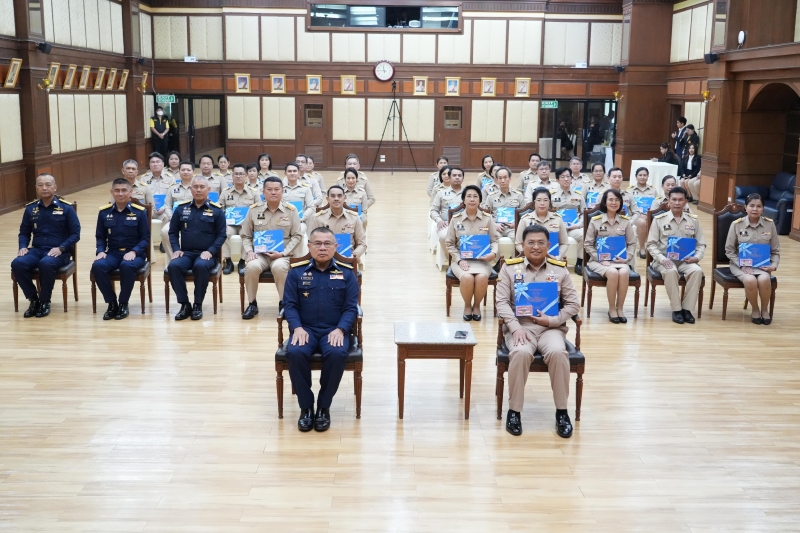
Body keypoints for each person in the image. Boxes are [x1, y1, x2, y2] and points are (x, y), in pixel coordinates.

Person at [496, 223, 580, 438]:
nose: (536, 247)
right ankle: (514, 412)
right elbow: (501, 302)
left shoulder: (559, 269)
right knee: (520, 353)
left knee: (558, 353)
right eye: (531, 242)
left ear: (548, 245)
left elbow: (573, 304)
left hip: (550, 329)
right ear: (522, 245)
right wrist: (515, 328)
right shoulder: (509, 268)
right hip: (520, 327)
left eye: (541, 242)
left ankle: (562, 413)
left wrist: (553, 321)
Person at [285, 226, 359, 432]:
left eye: (327, 244)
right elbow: (289, 305)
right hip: (305, 329)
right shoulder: (296, 272)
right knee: (295, 352)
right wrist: (297, 328)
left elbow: (351, 308)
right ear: (309, 246)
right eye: (317, 243)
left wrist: (341, 329)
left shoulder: (346, 274)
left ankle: (324, 407)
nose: (322, 248)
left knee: (337, 353)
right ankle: (306, 407)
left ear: (336, 246)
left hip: (334, 330)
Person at [12, 174, 81, 318]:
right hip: (37, 250)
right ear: (36, 188)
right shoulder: (30, 209)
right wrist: (23, 246)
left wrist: (61, 248)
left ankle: (45, 301)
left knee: (46, 263)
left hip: (60, 251)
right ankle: (34, 300)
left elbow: (75, 234)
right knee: (18, 263)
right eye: (40, 185)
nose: (44, 188)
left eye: (48, 184)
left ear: (55, 187)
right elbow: (24, 232)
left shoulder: (66, 208)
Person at [240, 177, 303, 319]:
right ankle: (252, 304)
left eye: (276, 189)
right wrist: (249, 251)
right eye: (269, 189)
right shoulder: (253, 210)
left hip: (282, 254)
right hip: (260, 254)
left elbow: (297, 236)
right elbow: (245, 235)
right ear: (263, 192)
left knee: (279, 267)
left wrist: (283, 253)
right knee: (251, 267)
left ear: (282, 191)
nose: (273, 192)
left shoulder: (291, 210)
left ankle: (284, 304)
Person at [167, 175, 226, 321]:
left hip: (207, 255)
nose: (198, 190)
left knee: (200, 266)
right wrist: (176, 249)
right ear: (191, 189)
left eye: (202, 187)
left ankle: (197, 305)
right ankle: (184, 304)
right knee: (173, 266)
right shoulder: (181, 209)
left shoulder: (217, 210)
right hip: (186, 253)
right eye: (195, 187)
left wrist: (211, 251)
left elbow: (222, 235)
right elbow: (173, 232)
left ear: (209, 189)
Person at [645, 186, 706, 324]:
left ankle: (687, 309)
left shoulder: (693, 220)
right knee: (671, 271)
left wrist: (697, 257)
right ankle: (677, 309)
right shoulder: (659, 220)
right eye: (674, 200)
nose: (677, 203)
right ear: (668, 201)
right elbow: (651, 244)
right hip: (664, 260)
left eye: (680, 200)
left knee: (697, 271)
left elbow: (701, 244)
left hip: (686, 261)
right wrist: (662, 259)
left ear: (685, 202)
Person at [91, 178, 150, 320]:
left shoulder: (139, 212)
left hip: (135, 254)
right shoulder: (104, 213)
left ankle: (123, 303)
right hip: (113, 253)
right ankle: (112, 304)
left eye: (124, 190)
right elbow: (100, 236)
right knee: (98, 266)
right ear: (112, 192)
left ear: (130, 192)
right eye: (117, 190)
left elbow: (145, 238)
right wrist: (100, 251)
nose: (120, 194)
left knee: (127, 266)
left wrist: (134, 251)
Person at [445, 185, 499, 321]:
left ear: (480, 200)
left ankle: (477, 305)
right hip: (461, 260)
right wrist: (459, 260)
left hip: (482, 261)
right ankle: (468, 305)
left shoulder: (487, 218)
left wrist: (493, 254)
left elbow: (495, 240)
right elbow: (449, 243)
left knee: (481, 277)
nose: (472, 199)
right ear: (463, 200)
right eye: (468, 196)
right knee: (467, 278)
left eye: (475, 196)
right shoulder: (456, 219)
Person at [725, 194, 780, 325]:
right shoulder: (737, 225)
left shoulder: (770, 224)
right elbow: (729, 250)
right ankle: (755, 309)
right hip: (740, 265)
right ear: (745, 207)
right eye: (752, 206)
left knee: (764, 279)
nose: (755, 209)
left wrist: (773, 266)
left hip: (762, 266)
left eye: (759, 206)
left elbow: (775, 251)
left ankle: (764, 310)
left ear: (763, 208)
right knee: (750, 280)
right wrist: (741, 264)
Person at [584, 189, 636, 323]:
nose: (614, 202)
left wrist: (627, 258)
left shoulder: (625, 221)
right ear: (605, 202)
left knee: (624, 272)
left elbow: (632, 243)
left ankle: (620, 308)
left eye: (617, 200)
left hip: (620, 261)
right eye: (611, 199)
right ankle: (612, 309)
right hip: (598, 261)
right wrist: (600, 258)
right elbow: (588, 244)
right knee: (612, 273)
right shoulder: (595, 221)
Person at [306, 185, 368, 261]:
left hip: (348, 260)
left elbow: (362, 243)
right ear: (327, 199)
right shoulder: (317, 218)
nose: (336, 198)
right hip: (323, 260)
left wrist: (355, 255)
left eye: (339, 196)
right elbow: (311, 243)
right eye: (333, 196)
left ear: (344, 198)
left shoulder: (354, 218)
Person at [219, 163, 258, 275]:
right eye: (236, 174)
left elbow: (259, 210)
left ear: (246, 176)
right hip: (230, 224)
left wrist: (250, 222)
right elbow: (220, 209)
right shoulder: (225, 192)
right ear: (232, 176)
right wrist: (224, 222)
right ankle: (228, 261)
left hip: (246, 225)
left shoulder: (253, 192)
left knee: (247, 234)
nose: (238, 176)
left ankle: (242, 261)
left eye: (241, 174)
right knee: (223, 232)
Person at [481, 166, 523, 261]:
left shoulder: (518, 195)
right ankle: (496, 263)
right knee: (493, 240)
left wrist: (516, 223)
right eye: (500, 178)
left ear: (510, 178)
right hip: (496, 227)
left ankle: (514, 262)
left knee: (517, 239)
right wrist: (493, 224)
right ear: (496, 180)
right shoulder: (491, 197)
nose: (503, 180)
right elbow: (485, 214)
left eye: (505, 177)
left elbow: (524, 214)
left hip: (512, 227)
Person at [515, 187, 568, 258]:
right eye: (539, 200)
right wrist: (528, 255)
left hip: (553, 259)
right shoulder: (525, 219)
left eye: (545, 200)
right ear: (534, 202)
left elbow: (564, 243)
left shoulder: (558, 219)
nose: (542, 203)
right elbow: (518, 243)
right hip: (531, 259)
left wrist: (558, 257)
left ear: (549, 202)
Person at [551, 167, 586, 274]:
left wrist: (578, 225)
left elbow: (584, 213)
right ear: (557, 180)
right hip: (556, 227)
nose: (566, 179)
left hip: (573, 228)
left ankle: (579, 263)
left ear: (571, 179)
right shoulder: (551, 195)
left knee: (582, 235)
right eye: (562, 177)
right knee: (550, 234)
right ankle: (553, 262)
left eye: (568, 176)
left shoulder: (578, 195)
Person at [162, 160, 196, 264]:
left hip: (194, 220)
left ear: (193, 172)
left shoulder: (198, 187)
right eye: (183, 170)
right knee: (165, 231)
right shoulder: (172, 188)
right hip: (175, 219)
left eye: (188, 170)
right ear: (179, 171)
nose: (185, 172)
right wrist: (172, 217)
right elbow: (167, 205)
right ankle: (174, 258)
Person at [430, 167, 465, 256]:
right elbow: (433, 210)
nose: (457, 177)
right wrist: (439, 220)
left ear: (463, 178)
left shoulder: (468, 193)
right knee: (444, 236)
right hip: (446, 224)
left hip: (465, 223)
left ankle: (467, 257)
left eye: (459, 176)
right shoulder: (441, 193)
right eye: (454, 175)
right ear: (449, 178)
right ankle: (451, 258)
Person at [628, 167, 658, 258]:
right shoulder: (630, 190)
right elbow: (627, 207)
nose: (642, 177)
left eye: (644, 175)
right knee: (641, 222)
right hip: (635, 216)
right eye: (640, 175)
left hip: (650, 215)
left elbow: (657, 204)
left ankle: (652, 247)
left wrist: (648, 215)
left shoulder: (653, 190)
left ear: (648, 177)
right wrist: (639, 215)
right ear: (636, 177)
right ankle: (642, 248)